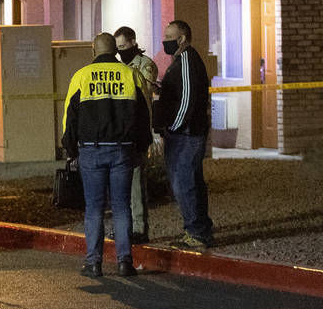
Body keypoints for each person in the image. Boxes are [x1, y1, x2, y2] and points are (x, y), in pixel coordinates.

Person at [61, 33, 152, 278]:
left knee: (94, 208)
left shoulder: (81, 76)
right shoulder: (130, 75)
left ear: (94, 50)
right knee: (122, 206)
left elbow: (70, 117)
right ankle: (124, 262)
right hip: (122, 149)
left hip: (91, 150)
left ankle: (94, 263)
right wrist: (143, 147)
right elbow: (143, 116)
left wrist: (70, 150)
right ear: (115, 51)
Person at [155, 19, 214, 249]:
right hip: (185, 132)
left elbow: (187, 100)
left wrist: (173, 127)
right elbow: (181, 92)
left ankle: (196, 233)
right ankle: (200, 228)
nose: (165, 41)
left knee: (183, 183)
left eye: (169, 36)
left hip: (187, 134)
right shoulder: (179, 61)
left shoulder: (187, 60)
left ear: (182, 39)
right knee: (191, 181)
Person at [114, 26, 159, 243]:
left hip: (138, 130)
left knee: (135, 184)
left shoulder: (145, 65)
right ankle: (125, 227)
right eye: (117, 48)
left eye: (123, 46)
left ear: (133, 42)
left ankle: (140, 229)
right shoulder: (120, 66)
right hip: (122, 131)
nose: (120, 51)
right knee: (122, 184)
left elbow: (143, 92)